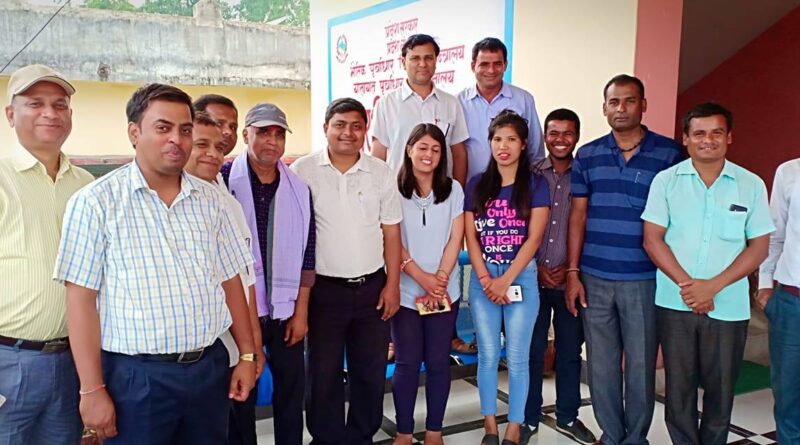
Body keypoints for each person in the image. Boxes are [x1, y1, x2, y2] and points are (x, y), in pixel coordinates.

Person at [53, 83, 257, 444]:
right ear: (134, 133)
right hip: (136, 377)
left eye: (185, 129)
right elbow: (80, 301)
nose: (176, 139)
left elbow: (231, 281)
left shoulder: (211, 201)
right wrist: (91, 389)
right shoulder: (96, 203)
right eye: (163, 128)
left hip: (208, 369)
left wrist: (247, 354)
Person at [642, 102, 773, 445]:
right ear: (685, 139)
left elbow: (759, 247)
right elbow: (652, 240)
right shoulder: (666, 182)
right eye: (699, 133)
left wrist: (712, 287)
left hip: (728, 305)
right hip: (675, 301)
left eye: (716, 132)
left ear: (729, 137)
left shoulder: (750, 184)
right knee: (679, 389)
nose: (708, 140)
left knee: (721, 390)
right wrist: (689, 287)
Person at [565, 74, 683, 445]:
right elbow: (578, 216)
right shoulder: (588, 154)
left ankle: (636, 438)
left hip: (645, 278)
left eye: (630, 101)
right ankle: (612, 434)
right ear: (604, 108)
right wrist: (573, 272)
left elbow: (678, 218)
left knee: (641, 363)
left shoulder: (669, 154)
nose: (621, 108)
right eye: (614, 102)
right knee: (601, 363)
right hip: (595, 276)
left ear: (643, 105)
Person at [291, 97, 402, 445]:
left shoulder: (380, 172)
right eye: (339, 125)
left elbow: (392, 233)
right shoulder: (302, 171)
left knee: (369, 370)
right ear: (326, 128)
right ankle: (325, 438)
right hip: (323, 291)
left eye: (356, 126)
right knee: (322, 372)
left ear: (365, 131)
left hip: (372, 288)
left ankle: (361, 435)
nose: (347, 133)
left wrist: (393, 285)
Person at [0, 64, 94, 444]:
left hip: (72, 363)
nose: (50, 113)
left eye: (60, 104)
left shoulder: (87, 186)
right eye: (35, 103)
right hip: (8, 361)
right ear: (11, 114)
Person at [221, 102, 315, 445]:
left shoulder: (299, 188)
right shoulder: (223, 180)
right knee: (240, 394)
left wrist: (301, 312)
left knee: (290, 394)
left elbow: (308, 254)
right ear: (246, 135)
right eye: (263, 132)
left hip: (285, 310)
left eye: (279, 134)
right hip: (238, 310)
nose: (272, 141)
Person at [464, 110, 550, 445]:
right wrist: (487, 278)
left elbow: (534, 238)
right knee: (487, 355)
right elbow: (471, 238)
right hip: (484, 278)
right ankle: (490, 425)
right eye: (498, 139)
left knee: (517, 357)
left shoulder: (536, 185)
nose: (504, 146)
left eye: (511, 139)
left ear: (523, 144)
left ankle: (514, 427)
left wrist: (506, 280)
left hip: (521, 278)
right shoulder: (476, 184)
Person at [184, 110, 266, 445]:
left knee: (241, 430)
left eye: (219, 147)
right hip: (200, 355)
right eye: (201, 144)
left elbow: (244, 279)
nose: (213, 154)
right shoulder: (169, 207)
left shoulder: (226, 203)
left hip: (235, 351)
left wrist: (252, 346)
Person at [521, 109, 595, 444]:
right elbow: (518, 224)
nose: (560, 140)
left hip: (571, 281)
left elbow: (589, 225)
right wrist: (534, 266)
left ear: (576, 136)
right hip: (532, 278)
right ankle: (528, 418)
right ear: (545, 136)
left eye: (567, 133)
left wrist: (570, 269)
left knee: (569, 352)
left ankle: (568, 416)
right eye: (553, 133)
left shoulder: (586, 174)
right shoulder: (529, 173)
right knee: (531, 351)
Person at [392, 124, 465, 445]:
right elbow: (391, 239)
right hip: (405, 291)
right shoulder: (393, 189)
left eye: (436, 149)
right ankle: (404, 432)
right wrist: (422, 278)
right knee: (407, 363)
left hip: (445, 292)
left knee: (438, 362)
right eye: (422, 147)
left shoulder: (454, 189)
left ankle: (435, 431)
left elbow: (456, 238)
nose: (429, 155)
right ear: (409, 150)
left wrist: (441, 280)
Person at [371, 33, 469, 185]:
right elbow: (378, 155)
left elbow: (458, 153)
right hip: (398, 193)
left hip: (442, 193)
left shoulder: (451, 103)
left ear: (436, 61)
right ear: (403, 62)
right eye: (415, 58)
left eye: (428, 58)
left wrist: (458, 191)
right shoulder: (387, 104)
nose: (422, 64)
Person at [458, 37, 544, 182]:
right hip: (471, 190)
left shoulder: (523, 100)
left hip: (515, 190)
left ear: (505, 65)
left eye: (497, 64)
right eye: (484, 64)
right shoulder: (458, 103)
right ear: (473, 66)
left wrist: (532, 188)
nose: (491, 70)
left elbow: (535, 152)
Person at [758, 157, 800, 445]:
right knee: (788, 394)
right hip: (791, 302)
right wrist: (765, 284)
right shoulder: (789, 172)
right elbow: (775, 234)